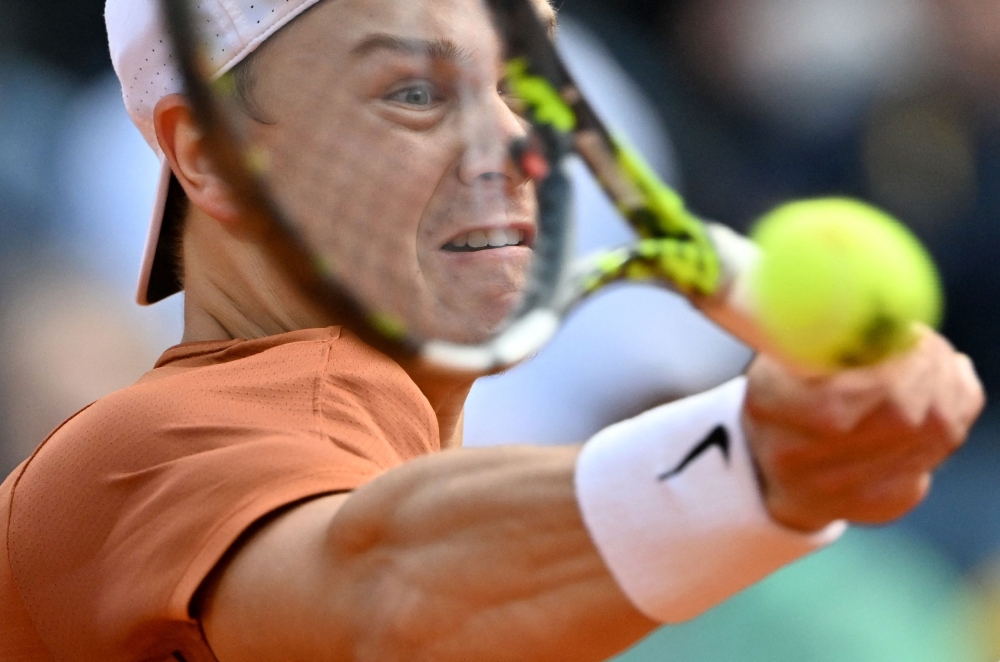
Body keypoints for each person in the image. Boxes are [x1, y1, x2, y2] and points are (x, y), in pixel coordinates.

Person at [0, 1, 984, 661]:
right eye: (415, 93)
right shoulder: (136, 456)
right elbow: (386, 584)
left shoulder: (394, 439)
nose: (515, 145)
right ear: (210, 158)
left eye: (518, 90)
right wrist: (754, 465)